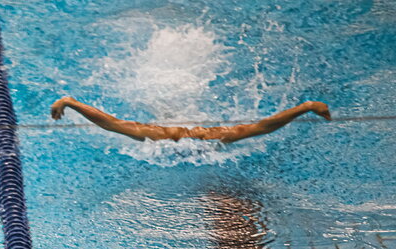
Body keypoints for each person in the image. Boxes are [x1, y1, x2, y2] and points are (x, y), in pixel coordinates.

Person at [49, 97, 331, 143]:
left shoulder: (213, 136)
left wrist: (305, 108)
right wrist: (69, 103)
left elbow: (263, 127)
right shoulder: (161, 135)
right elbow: (110, 122)